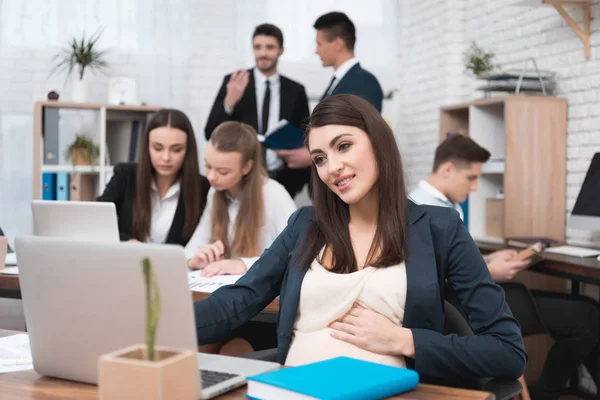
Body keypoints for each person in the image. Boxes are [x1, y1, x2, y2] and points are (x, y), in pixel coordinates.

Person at [193, 94, 526, 382]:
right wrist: (158, 322)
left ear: (377, 142)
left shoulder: (439, 227)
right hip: (293, 388)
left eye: (344, 146)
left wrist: (405, 340)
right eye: (320, 158)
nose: (332, 167)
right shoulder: (305, 225)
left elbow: (507, 351)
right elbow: (238, 300)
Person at [409, 133, 599, 399]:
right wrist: (490, 271)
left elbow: (444, 262)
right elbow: (429, 279)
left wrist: (486, 261)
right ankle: (547, 392)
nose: (475, 188)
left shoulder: (440, 205)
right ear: (448, 170)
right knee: (587, 317)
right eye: (471, 178)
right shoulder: (424, 210)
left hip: (469, 299)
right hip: (464, 308)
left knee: (589, 314)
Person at [204, 23, 310, 199]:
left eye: (270, 47)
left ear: (281, 50)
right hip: (242, 177)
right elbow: (210, 132)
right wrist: (230, 101)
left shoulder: (296, 90)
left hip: (283, 178)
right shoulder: (234, 82)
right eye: (257, 47)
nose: (263, 53)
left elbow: (306, 134)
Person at [276, 11, 385, 174]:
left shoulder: (364, 82)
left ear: (337, 44)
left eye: (319, 44)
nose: (316, 51)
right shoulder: (340, 81)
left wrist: (311, 155)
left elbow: (360, 136)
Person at [97, 109, 209, 246]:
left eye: (176, 150)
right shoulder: (125, 175)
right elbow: (97, 224)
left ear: (188, 151)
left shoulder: (202, 188)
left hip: (174, 266)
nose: (166, 157)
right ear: (147, 147)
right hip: (126, 262)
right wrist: (126, 242)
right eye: (157, 148)